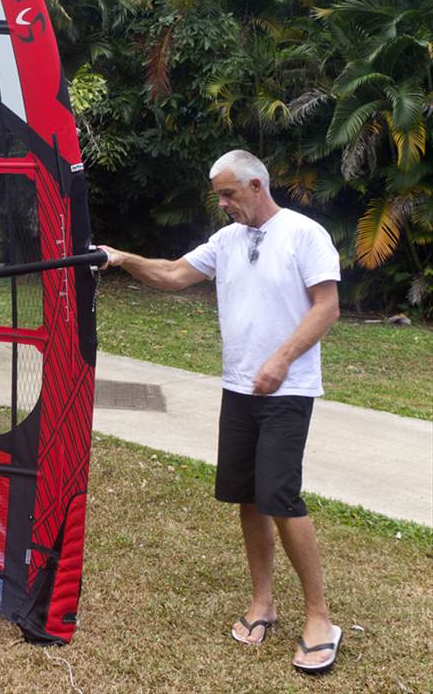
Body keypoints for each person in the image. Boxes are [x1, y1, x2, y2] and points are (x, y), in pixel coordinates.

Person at [99, 149, 342, 676]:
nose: (224, 204)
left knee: (280, 497)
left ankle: (320, 619)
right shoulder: (226, 241)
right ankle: (263, 603)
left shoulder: (305, 234)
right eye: (219, 196)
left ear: (257, 185)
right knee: (248, 497)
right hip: (239, 389)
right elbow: (172, 274)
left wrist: (281, 360)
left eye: (229, 194)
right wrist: (121, 258)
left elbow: (327, 306)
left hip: (287, 390)